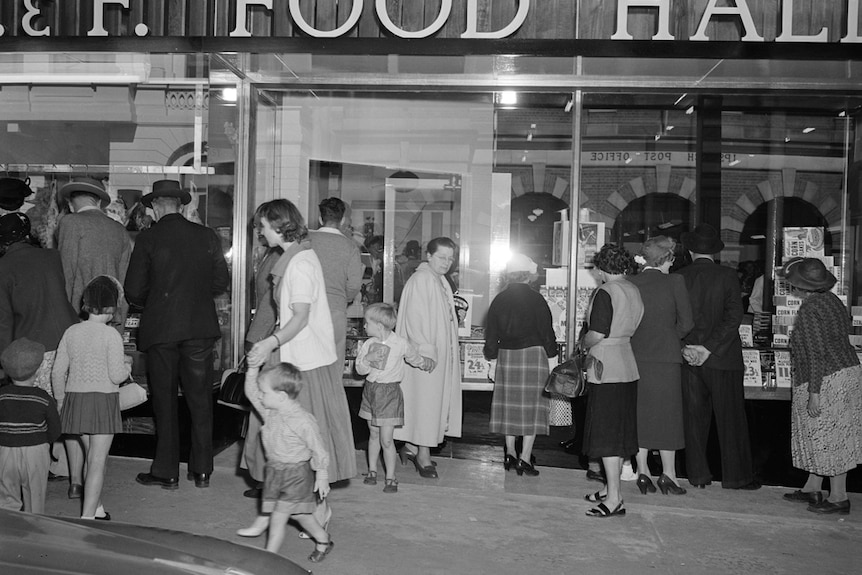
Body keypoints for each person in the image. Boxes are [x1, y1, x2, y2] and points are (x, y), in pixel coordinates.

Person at [246, 199, 357, 535]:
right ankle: (305, 504)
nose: (261, 233)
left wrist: (269, 343)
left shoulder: (300, 263)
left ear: (279, 225)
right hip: (299, 356)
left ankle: (318, 507)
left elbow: (301, 316)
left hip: (302, 361)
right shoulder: (296, 257)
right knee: (295, 433)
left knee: (300, 433)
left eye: (263, 226)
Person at [124, 179, 230, 490]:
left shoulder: (148, 239)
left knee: (164, 402)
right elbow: (220, 283)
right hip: (199, 329)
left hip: (161, 330)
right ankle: (202, 470)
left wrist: (153, 303)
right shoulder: (206, 236)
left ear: (155, 207)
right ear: (181, 206)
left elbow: (133, 290)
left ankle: (167, 471)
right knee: (200, 401)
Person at [676, 223, 760, 490]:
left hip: (688, 358)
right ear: (716, 252)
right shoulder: (727, 276)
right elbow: (734, 316)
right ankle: (736, 477)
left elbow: (673, 318)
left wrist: (688, 347)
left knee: (693, 420)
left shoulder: (679, 277)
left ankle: (698, 476)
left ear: (689, 250)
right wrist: (709, 348)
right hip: (723, 358)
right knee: (731, 418)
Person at [779, 257, 862, 515]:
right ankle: (812, 487)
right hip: (848, 370)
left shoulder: (809, 310)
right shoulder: (832, 301)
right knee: (824, 433)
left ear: (800, 287)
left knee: (831, 437)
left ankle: (838, 497)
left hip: (826, 377)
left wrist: (814, 393)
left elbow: (817, 354)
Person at [0, 213, 79, 482]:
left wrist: (5, 363)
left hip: (34, 349)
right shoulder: (52, 257)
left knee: (35, 414)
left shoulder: (4, 266)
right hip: (68, 340)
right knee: (65, 411)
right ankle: (73, 476)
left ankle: (41, 469)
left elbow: (4, 320)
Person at [236, 363, 334, 563]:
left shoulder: (303, 420)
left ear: (281, 396)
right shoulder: (271, 411)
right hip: (275, 471)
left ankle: (267, 560)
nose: (260, 397)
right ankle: (323, 539)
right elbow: (252, 393)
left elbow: (318, 448)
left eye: (265, 392)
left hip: (296, 475)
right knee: (300, 516)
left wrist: (322, 475)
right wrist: (253, 369)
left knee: (278, 519)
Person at [52, 276, 129, 520]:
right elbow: (116, 376)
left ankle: (96, 508)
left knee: (89, 456)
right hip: (102, 400)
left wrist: (61, 400)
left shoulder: (71, 331)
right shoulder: (111, 336)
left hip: (77, 399)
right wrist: (128, 367)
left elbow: (57, 371)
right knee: (97, 461)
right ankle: (86, 519)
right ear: (111, 307)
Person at [581, 244, 644, 518]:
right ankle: (610, 489)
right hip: (627, 364)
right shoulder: (632, 289)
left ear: (602, 268)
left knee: (607, 436)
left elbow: (597, 332)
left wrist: (582, 345)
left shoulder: (605, 292)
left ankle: (615, 498)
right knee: (619, 433)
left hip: (605, 367)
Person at [628, 236, 694, 495]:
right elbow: (687, 323)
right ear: (666, 259)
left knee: (640, 415)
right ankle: (669, 474)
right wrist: (669, 336)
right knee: (668, 416)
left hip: (635, 356)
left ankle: (642, 471)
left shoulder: (631, 283)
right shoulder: (675, 281)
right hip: (666, 359)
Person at [394, 237, 463, 478]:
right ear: (429, 256)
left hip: (439, 354)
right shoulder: (421, 279)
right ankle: (423, 454)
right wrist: (425, 352)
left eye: (450, 258)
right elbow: (415, 319)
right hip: (426, 357)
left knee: (431, 403)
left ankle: (411, 447)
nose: (446, 262)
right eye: (442, 257)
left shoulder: (440, 280)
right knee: (426, 403)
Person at [483, 253, 557, 477]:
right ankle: (525, 457)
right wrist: (552, 359)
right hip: (534, 355)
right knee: (532, 408)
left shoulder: (499, 300)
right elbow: (547, 332)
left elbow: (491, 335)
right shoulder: (537, 299)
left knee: (509, 405)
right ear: (529, 275)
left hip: (507, 355)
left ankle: (510, 453)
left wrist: (492, 359)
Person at [356, 303, 429, 493]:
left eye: (367, 323)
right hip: (371, 390)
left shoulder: (400, 343)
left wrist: (423, 363)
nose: (364, 326)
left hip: (389, 393)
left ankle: (391, 476)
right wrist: (367, 360)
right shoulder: (368, 344)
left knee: (387, 440)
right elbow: (360, 370)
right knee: (373, 434)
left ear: (379, 325)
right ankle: (372, 471)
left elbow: (413, 357)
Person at [240, 205, 283, 499]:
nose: (258, 232)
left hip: (267, 341)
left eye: (261, 227)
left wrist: (254, 340)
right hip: (268, 339)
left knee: (263, 413)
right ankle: (262, 476)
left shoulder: (280, 257)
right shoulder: (272, 254)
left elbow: (269, 307)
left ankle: (265, 478)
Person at [56, 176, 131, 329]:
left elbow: (65, 273)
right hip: (110, 318)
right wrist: (119, 326)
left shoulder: (70, 222)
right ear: (98, 202)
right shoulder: (119, 230)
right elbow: (124, 282)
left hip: (79, 317)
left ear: (70, 204)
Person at [0, 338, 62, 514]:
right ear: (37, 371)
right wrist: (44, 442)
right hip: (36, 451)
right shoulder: (42, 398)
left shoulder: (2, 395)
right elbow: (55, 429)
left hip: (5, 451)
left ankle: (7, 529)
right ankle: (34, 531)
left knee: (6, 496)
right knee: (35, 496)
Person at [308, 197, 364, 390]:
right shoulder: (349, 246)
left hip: (305, 310)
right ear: (342, 221)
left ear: (319, 218)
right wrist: (344, 299)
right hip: (335, 311)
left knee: (306, 368)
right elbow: (354, 283)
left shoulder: (307, 239)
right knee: (332, 369)